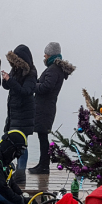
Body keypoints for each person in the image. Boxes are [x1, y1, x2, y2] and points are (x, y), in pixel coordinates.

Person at [29, 42, 76, 175]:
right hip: (46, 107)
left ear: (51, 54)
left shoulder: (53, 69)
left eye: (46, 53)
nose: (44, 55)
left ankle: (44, 166)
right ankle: (42, 164)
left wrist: (33, 86)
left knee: (43, 137)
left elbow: (46, 87)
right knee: (42, 136)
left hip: (44, 108)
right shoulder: (54, 69)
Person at [1, 44, 37, 185]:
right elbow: (9, 86)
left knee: (21, 144)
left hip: (24, 113)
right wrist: (6, 80)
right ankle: (14, 170)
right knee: (11, 142)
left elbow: (25, 91)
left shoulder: (31, 73)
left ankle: (21, 172)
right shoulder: (16, 70)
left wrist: (11, 81)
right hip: (13, 112)